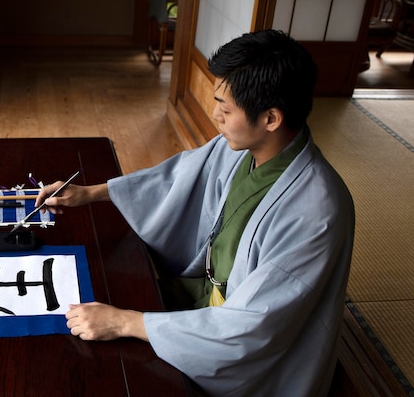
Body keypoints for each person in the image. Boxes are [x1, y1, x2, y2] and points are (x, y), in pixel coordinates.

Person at [35, 29, 355, 397]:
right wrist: (90, 193)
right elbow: (175, 178)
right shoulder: (240, 147)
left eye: (226, 107)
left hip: (255, 358)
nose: (215, 114)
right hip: (205, 303)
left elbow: (252, 328)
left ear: (271, 119)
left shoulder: (314, 213)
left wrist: (125, 323)